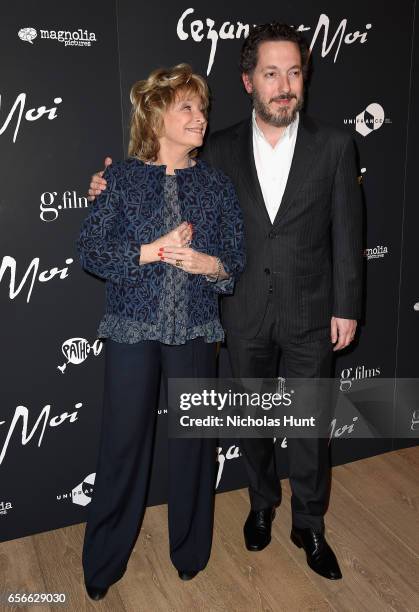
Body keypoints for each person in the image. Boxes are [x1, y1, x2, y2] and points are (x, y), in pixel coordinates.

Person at [88, 23, 363, 581]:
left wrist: (347, 304)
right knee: (254, 423)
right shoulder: (216, 146)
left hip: (310, 310)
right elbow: (154, 166)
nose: (285, 84)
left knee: (310, 427)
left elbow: (348, 232)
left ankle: (309, 524)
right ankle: (262, 506)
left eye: (294, 72)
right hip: (241, 315)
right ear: (249, 81)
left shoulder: (335, 144)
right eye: (271, 73)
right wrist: (104, 182)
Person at [78, 63, 245, 601]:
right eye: (187, 109)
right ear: (156, 118)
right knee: (123, 446)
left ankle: (191, 552)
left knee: (195, 446)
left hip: (196, 327)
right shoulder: (121, 179)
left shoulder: (216, 186)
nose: (201, 117)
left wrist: (205, 264)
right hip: (132, 327)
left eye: (202, 108)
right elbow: (92, 251)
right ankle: (103, 564)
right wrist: (154, 251)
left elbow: (234, 261)